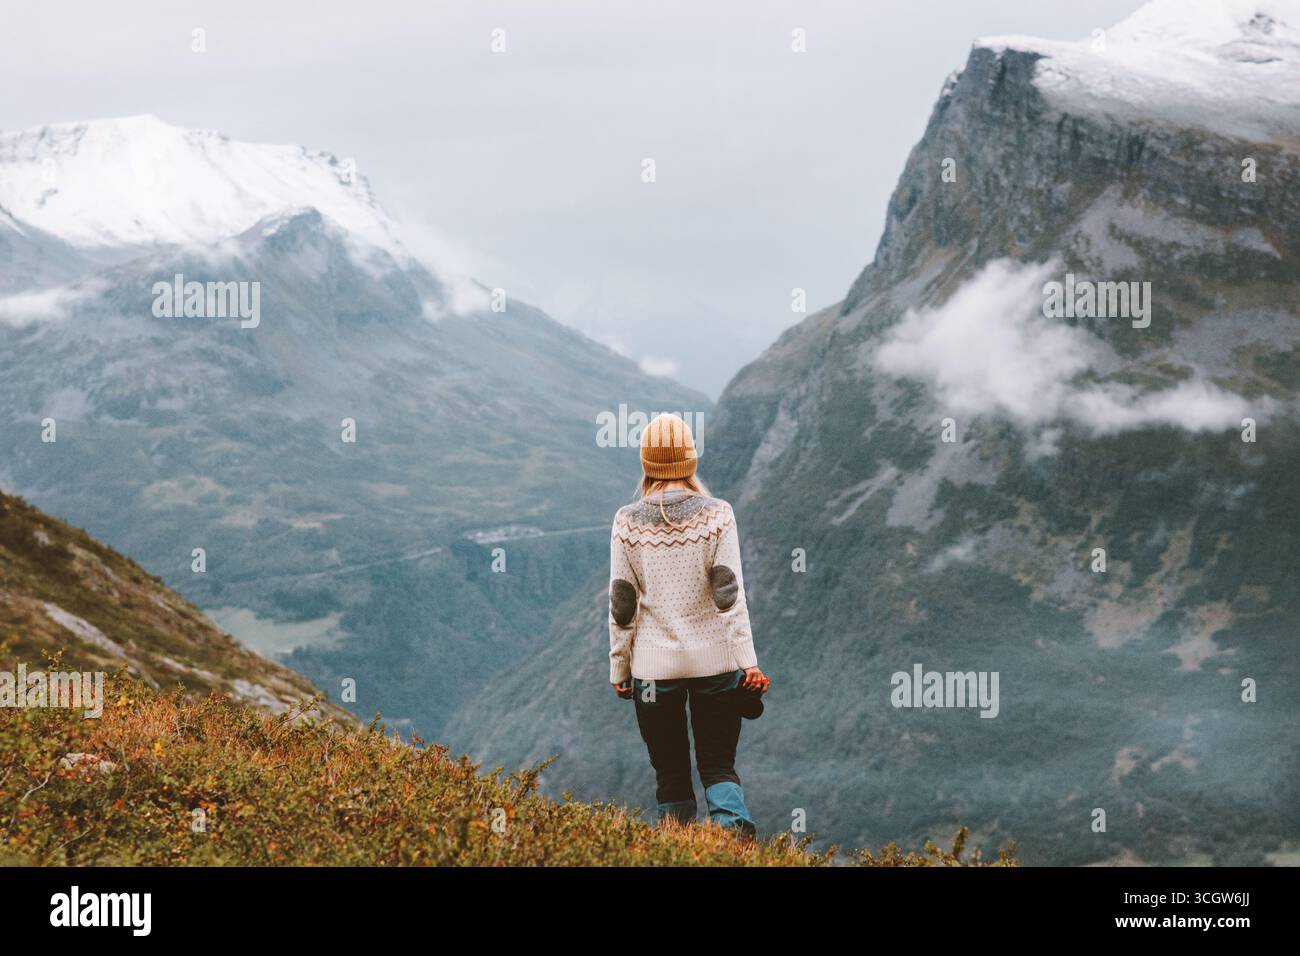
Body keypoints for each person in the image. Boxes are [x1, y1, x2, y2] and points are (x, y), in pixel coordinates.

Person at [608, 412, 770, 836]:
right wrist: (747, 662)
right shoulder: (718, 514)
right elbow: (728, 595)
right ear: (690, 460)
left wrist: (619, 667)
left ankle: (677, 849)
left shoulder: (627, 520)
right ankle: (734, 844)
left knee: (671, 773)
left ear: (647, 464)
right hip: (715, 664)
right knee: (718, 765)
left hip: (652, 671)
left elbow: (622, 603)